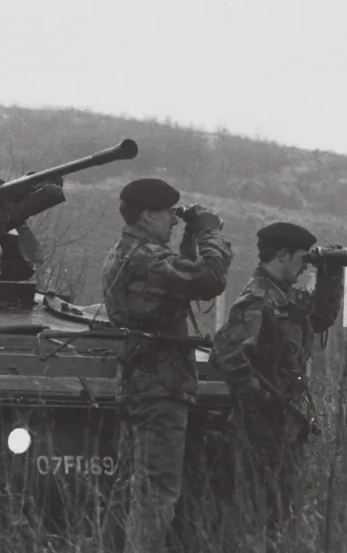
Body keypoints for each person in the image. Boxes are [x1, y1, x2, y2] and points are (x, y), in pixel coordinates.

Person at [100, 177, 233, 553]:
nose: (174, 222)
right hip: (162, 387)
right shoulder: (146, 260)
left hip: (137, 383)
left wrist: (190, 236)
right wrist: (209, 233)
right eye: (169, 215)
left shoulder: (123, 254)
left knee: (129, 486)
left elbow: (179, 278)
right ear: (146, 215)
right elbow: (209, 279)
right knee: (157, 491)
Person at [209, 222, 344, 551]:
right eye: (301, 258)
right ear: (282, 255)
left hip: (286, 428)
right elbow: (225, 355)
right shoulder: (257, 301)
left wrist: (330, 273)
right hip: (260, 431)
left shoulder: (286, 298)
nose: (302, 267)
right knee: (258, 514)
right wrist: (263, 400)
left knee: (281, 513)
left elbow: (321, 317)